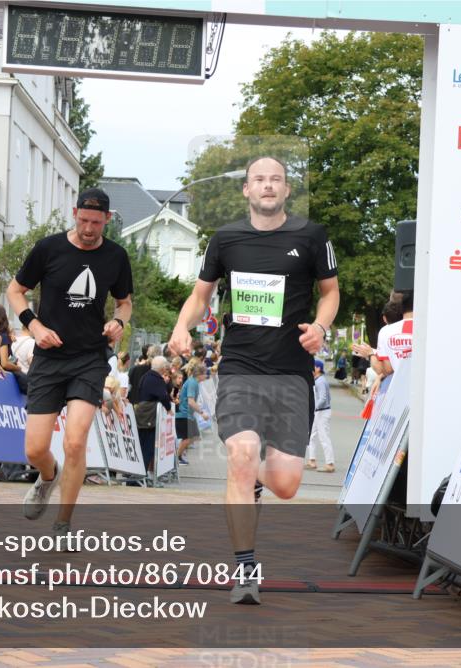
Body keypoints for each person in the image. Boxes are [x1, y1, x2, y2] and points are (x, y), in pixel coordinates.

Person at [168, 156, 340, 605]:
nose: (267, 186)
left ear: (286, 190)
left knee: (286, 485)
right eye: (259, 180)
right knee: (242, 455)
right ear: (246, 189)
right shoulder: (224, 240)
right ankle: (245, 568)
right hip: (242, 367)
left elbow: (331, 292)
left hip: (291, 374)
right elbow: (200, 296)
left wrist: (320, 328)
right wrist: (182, 326)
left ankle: (257, 482)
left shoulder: (311, 236)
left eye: (276, 180)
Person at [6, 187, 133, 535]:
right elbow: (14, 291)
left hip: (90, 358)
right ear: (74, 213)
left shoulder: (116, 256)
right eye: (83, 221)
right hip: (49, 358)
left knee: (75, 442)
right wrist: (34, 325)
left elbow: (124, 302)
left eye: (96, 223)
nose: (89, 229)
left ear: (107, 219)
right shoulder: (49, 248)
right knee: (34, 449)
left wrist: (119, 322)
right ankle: (48, 476)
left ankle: (63, 523)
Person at [175, 361, 208, 465]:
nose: (206, 375)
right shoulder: (193, 383)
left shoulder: (193, 382)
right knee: (188, 438)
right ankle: (176, 458)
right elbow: (191, 401)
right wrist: (202, 412)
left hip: (188, 415)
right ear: (200, 374)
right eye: (205, 373)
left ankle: (179, 455)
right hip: (184, 414)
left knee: (193, 437)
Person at [305, 360, 335, 472]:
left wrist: (314, 407)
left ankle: (330, 464)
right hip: (319, 412)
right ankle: (312, 461)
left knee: (324, 437)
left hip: (322, 412)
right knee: (311, 436)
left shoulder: (320, 382)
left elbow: (322, 398)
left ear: (318, 368)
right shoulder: (318, 380)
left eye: (312, 367)